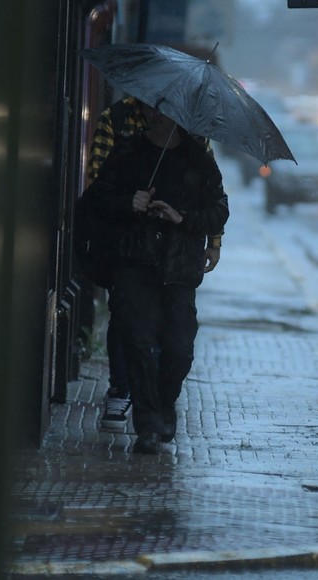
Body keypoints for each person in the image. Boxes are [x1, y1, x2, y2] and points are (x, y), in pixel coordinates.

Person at [92, 101, 229, 453]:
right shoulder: (128, 153)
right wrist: (130, 203)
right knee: (137, 343)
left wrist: (183, 219)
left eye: (165, 110)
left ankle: (163, 404)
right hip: (134, 263)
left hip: (179, 268)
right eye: (153, 109)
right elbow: (98, 199)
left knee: (179, 349)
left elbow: (218, 210)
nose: (157, 115)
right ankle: (149, 426)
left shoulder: (198, 158)